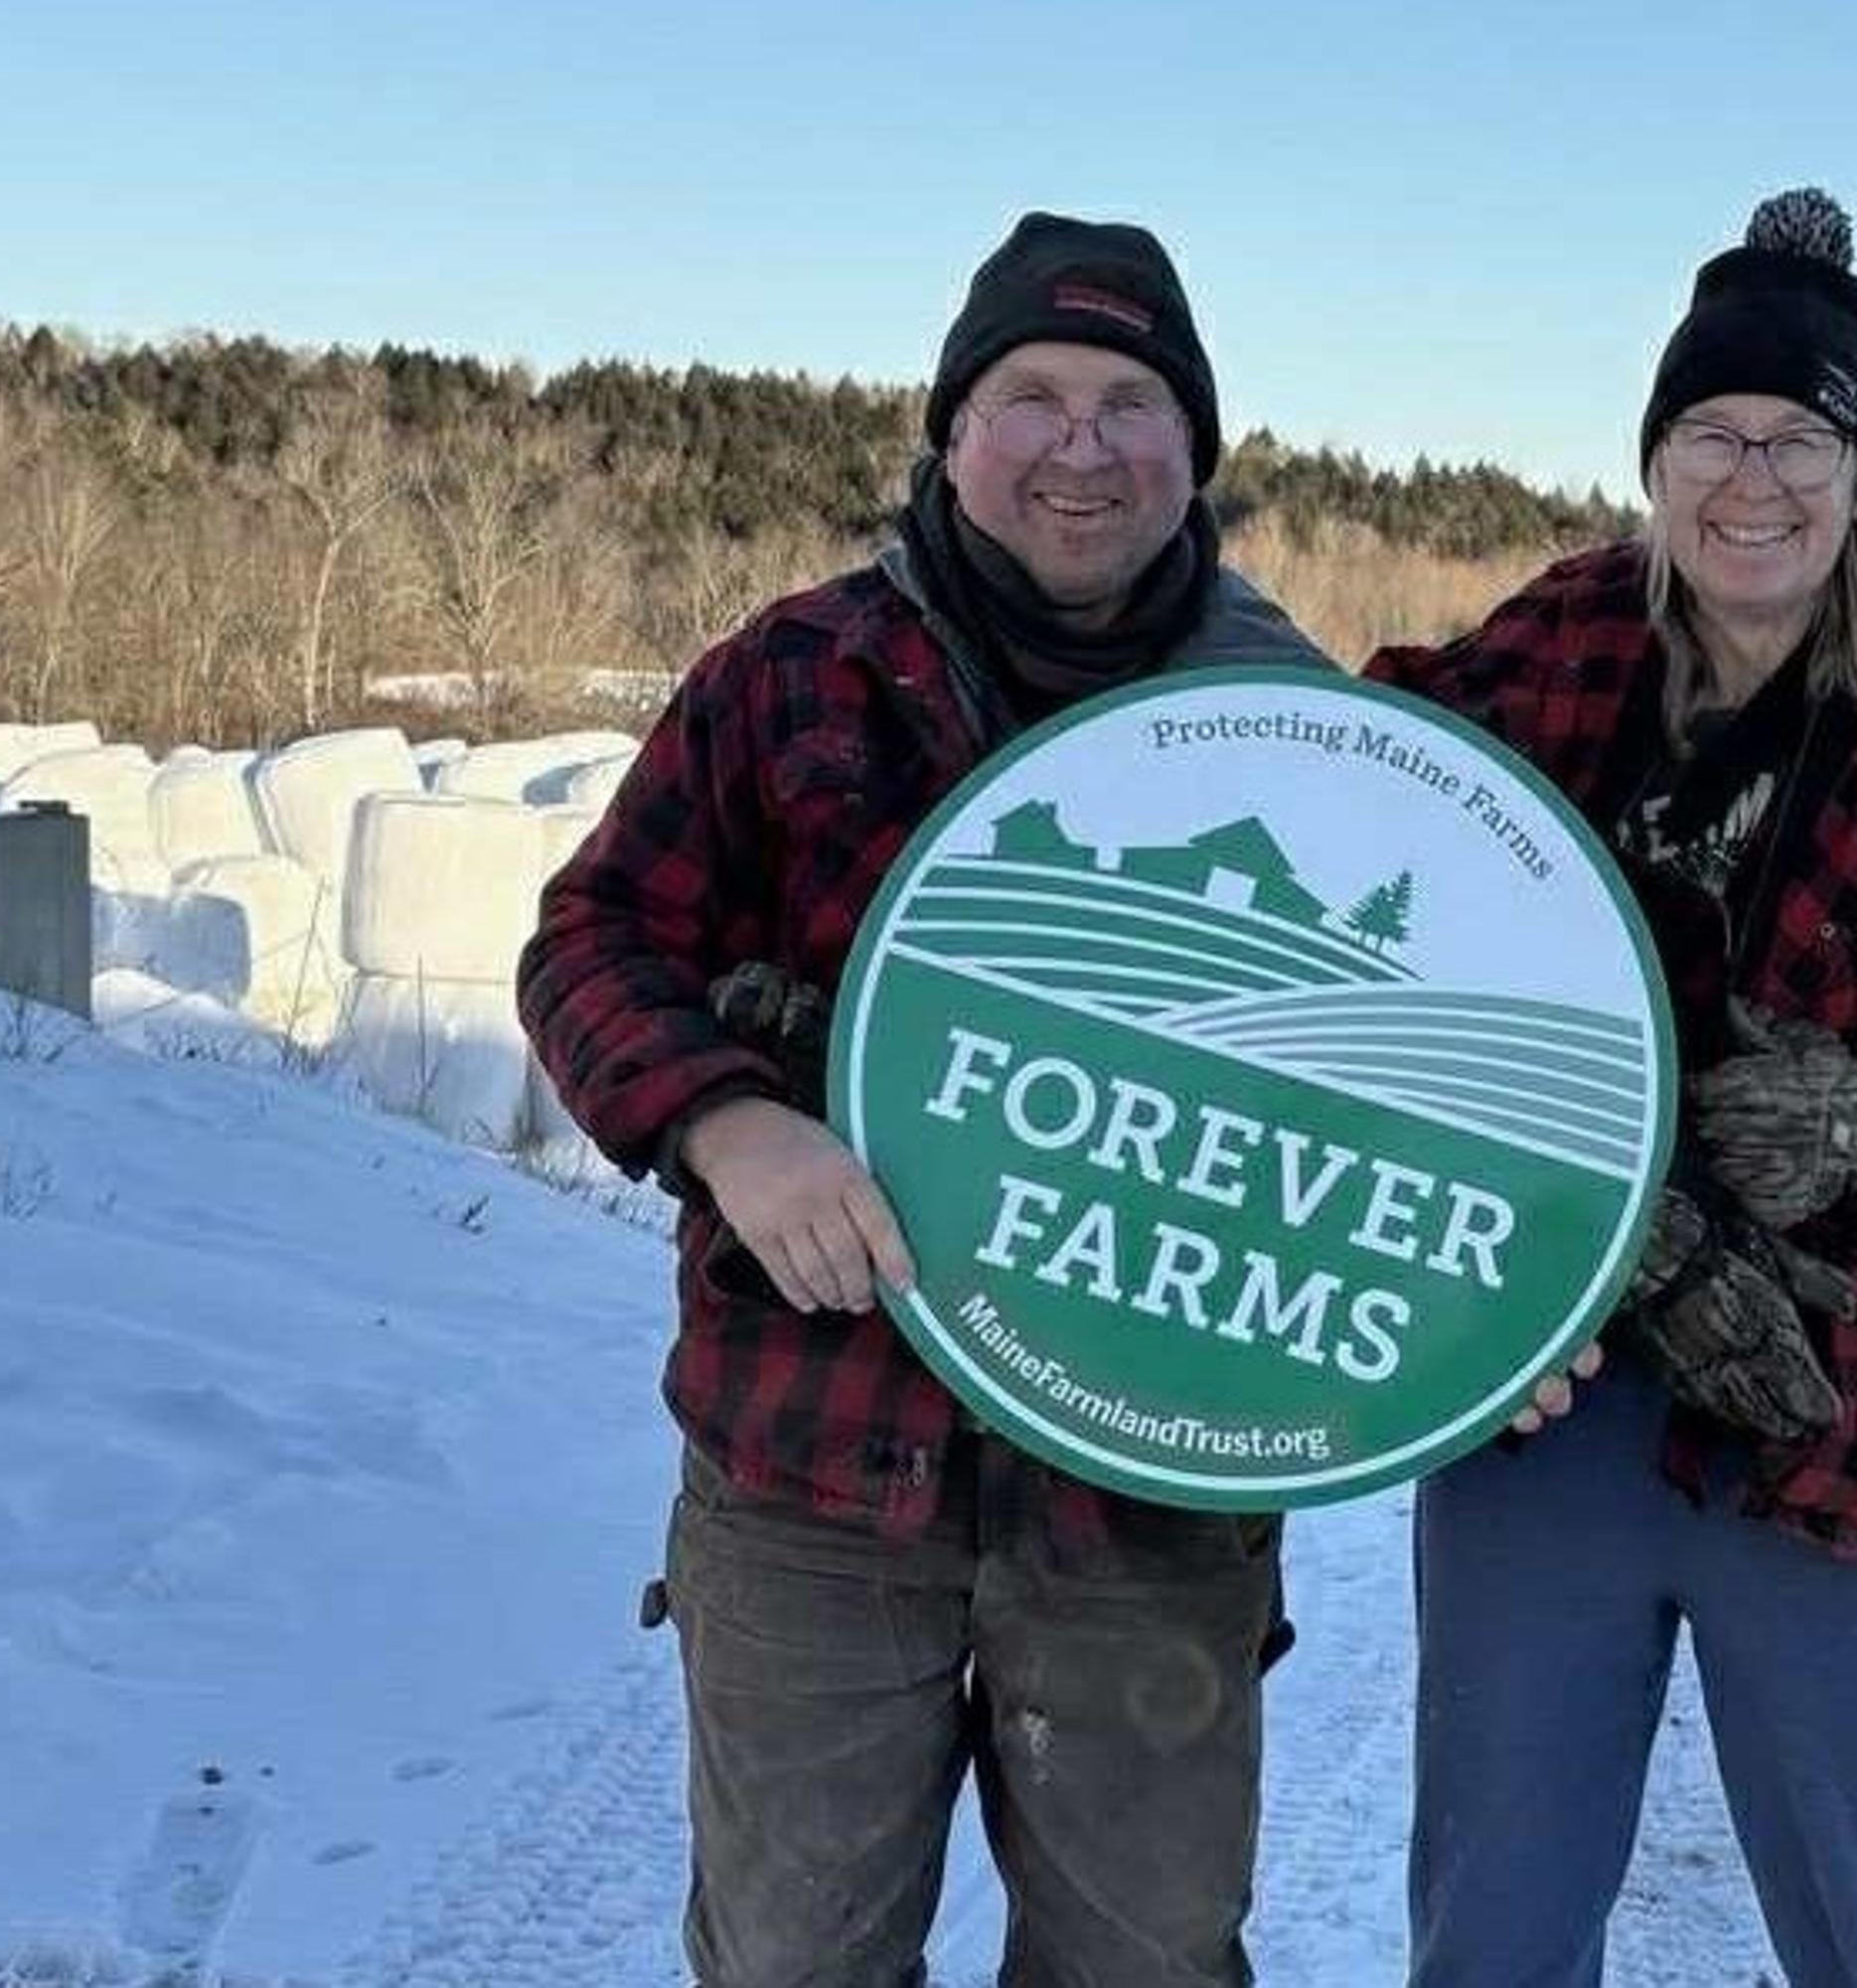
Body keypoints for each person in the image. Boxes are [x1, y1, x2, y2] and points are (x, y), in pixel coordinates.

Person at [522, 212, 1589, 1988]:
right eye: (1031, 395)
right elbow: (589, 939)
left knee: (1147, 1966)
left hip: (1151, 1502)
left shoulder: (1301, 739)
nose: (1078, 446)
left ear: (1197, 455)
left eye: (1129, 402)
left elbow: (1404, 1098)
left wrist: (1482, 1316)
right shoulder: (797, 674)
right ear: (951, 431)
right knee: (791, 1961)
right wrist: (724, 1119)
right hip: (810, 1463)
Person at [1368, 187, 1857, 1988]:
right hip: (1550, 1369)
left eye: (1799, 436)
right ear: (1653, 457)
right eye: (1711, 431)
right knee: (1495, 1919)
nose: (1752, 478)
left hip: (1850, 1406)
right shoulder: (1554, 649)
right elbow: (1367, 801)